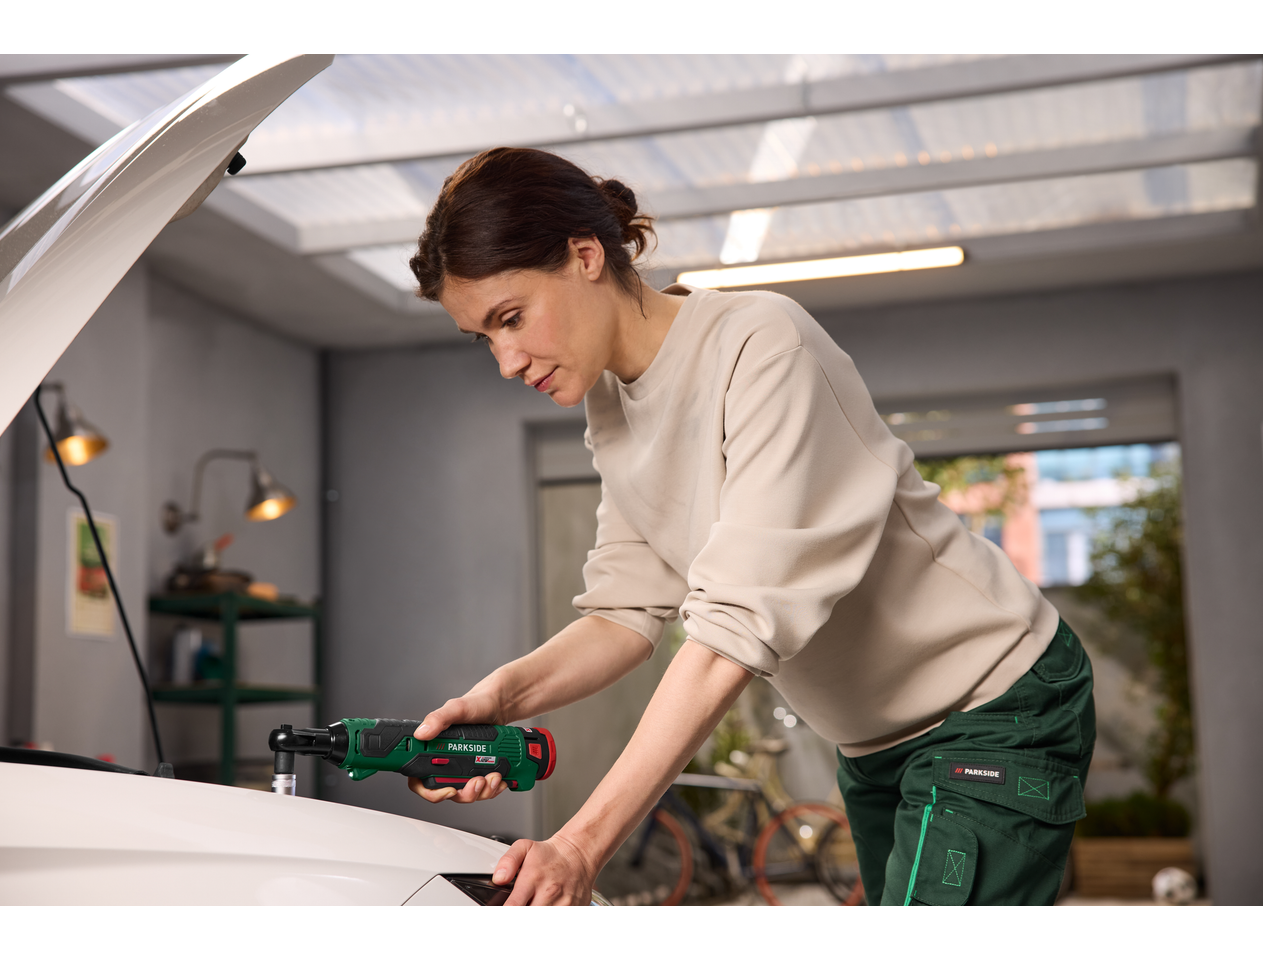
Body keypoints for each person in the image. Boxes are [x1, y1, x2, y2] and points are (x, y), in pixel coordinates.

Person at [405, 147, 1095, 906]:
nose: (506, 361)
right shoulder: (612, 404)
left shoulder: (760, 344)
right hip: (872, 743)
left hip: (992, 700)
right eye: (484, 337)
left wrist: (578, 846)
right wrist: (500, 699)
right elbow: (622, 615)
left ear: (585, 255)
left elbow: (733, 629)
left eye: (511, 318)